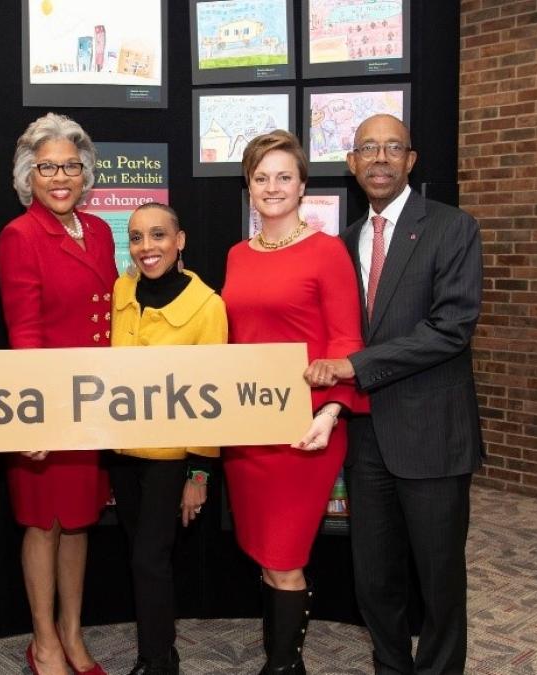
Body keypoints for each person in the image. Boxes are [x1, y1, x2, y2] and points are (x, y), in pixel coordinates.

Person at [305, 114, 484, 675]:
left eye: (392, 148)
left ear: (411, 160)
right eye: (368, 149)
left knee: (438, 581)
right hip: (366, 438)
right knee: (374, 579)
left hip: (432, 436)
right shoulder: (342, 243)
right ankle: (389, 667)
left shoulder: (453, 228)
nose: (380, 158)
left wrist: (354, 366)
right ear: (352, 164)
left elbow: (450, 328)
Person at [221, 130, 366, 675]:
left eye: (285, 176)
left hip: (308, 429)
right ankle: (283, 659)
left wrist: (331, 413)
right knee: (263, 553)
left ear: (303, 186)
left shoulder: (327, 252)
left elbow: (347, 342)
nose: (273, 187)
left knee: (285, 557)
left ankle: (283, 666)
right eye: (262, 178)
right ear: (249, 188)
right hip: (248, 429)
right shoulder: (238, 255)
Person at [0, 113, 115, 675]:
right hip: (45, 404)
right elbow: (24, 332)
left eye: (71, 165)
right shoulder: (20, 235)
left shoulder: (99, 231)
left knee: (79, 521)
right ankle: (43, 640)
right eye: (48, 167)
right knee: (43, 525)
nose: (61, 177)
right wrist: (34, 417)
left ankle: (72, 633)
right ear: (29, 175)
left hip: (91, 406)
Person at [108, 203, 227, 675]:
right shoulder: (121, 289)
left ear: (180, 241)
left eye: (158, 236)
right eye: (136, 238)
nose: (146, 247)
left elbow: (212, 395)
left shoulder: (208, 306)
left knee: (149, 560)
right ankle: (164, 647)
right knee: (142, 554)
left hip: (171, 456)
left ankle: (156, 660)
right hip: (120, 452)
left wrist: (199, 474)